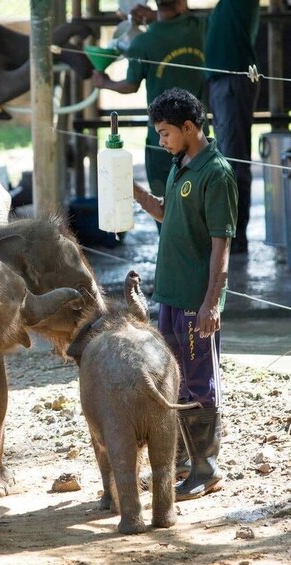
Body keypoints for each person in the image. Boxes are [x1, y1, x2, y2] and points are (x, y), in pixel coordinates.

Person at [133, 87, 237, 500]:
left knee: (200, 382)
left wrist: (211, 302)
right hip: (170, 295)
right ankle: (181, 461)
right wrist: (137, 195)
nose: (162, 141)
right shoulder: (181, 163)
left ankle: (206, 469)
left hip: (196, 301)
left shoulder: (217, 174)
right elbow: (167, 213)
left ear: (189, 128)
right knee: (174, 379)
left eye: (165, 133)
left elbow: (221, 246)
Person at [93, 0, 206, 207]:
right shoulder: (200, 29)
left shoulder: (143, 43)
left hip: (162, 138)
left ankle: (167, 238)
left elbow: (130, 85)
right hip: (197, 132)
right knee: (199, 197)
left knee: (164, 199)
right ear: (181, 4)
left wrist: (104, 82)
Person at [205, 0, 260, 254]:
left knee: (233, 159)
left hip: (232, 80)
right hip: (223, 81)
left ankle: (235, 237)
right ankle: (231, 234)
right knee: (227, 156)